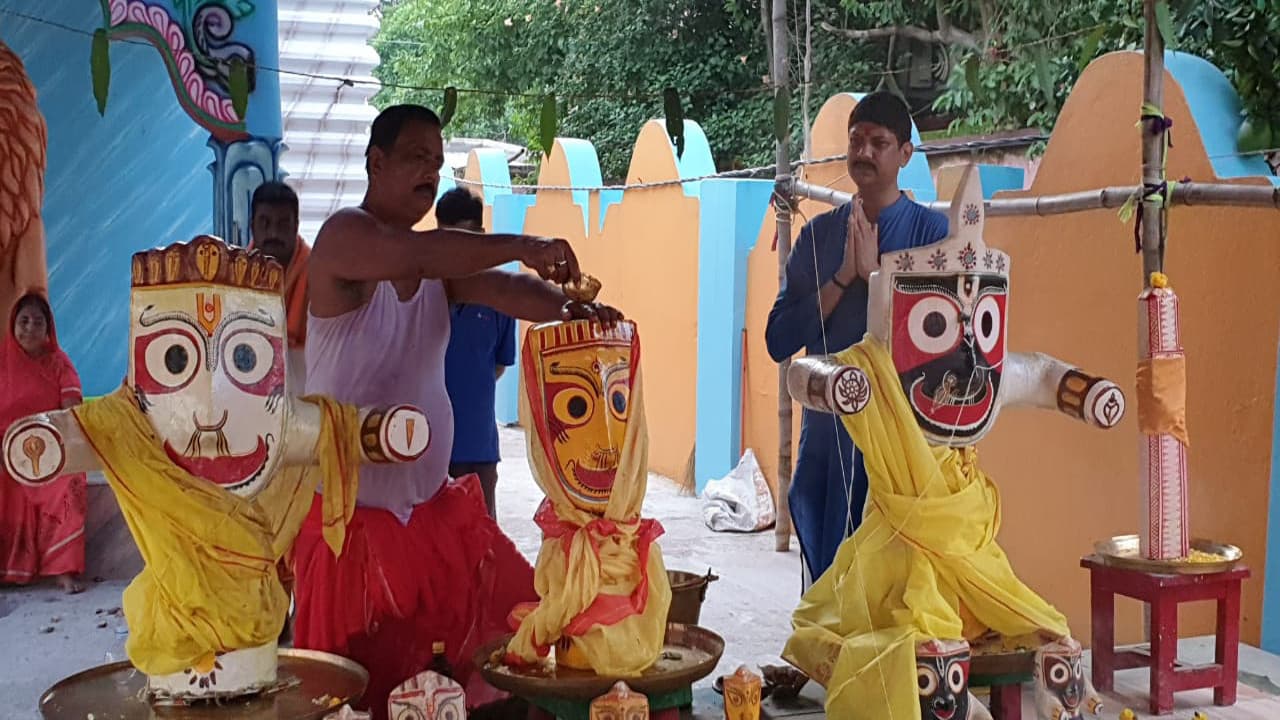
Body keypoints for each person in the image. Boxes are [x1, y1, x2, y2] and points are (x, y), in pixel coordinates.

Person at [292, 104, 623, 719]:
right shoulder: (344, 237)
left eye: (437, 162)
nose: (430, 171)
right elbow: (418, 257)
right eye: (416, 157)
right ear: (376, 162)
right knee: (354, 696)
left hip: (432, 515)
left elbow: (504, 288)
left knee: (482, 663)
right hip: (352, 528)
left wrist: (571, 312)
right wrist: (525, 243)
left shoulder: (438, 268)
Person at [765, 91, 949, 587]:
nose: (864, 152)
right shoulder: (818, 237)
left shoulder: (935, 236)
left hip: (905, 444)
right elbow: (779, 339)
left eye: (879, 143)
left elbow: (949, 345)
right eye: (856, 141)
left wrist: (876, 280)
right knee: (828, 588)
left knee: (896, 593)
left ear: (905, 154)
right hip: (828, 441)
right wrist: (844, 276)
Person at [0, 293, 87, 594]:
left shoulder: (60, 364)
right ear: (13, 325)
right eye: (24, 321)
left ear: (48, 328)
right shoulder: (2, 364)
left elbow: (71, 413)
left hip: (50, 453)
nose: (30, 328)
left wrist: (52, 446)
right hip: (4, 454)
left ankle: (63, 571)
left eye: (38, 322)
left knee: (69, 483)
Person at [438, 187, 516, 519]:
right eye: (446, 240)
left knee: (482, 535)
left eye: (464, 239)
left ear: (481, 237)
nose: (455, 252)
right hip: (428, 447)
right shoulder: (423, 291)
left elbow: (499, 364)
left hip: (479, 446)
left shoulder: (500, 297)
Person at [248, 181, 309, 391]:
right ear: (252, 226)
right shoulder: (235, 275)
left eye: (283, 224)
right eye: (265, 223)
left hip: (306, 387)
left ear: (296, 226)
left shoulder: (318, 273)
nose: (273, 233)